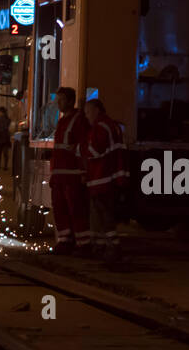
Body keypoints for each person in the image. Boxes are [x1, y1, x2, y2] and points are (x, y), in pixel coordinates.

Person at [83, 97, 129, 264]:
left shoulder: (100, 127)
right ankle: (102, 247)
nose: (86, 116)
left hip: (101, 179)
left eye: (88, 112)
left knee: (104, 215)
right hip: (105, 179)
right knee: (100, 215)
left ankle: (112, 248)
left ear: (96, 110)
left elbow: (94, 151)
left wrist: (82, 147)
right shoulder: (112, 125)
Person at [49, 87, 91, 255]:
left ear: (70, 101)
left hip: (72, 175)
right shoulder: (62, 121)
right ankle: (65, 241)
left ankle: (83, 244)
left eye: (61, 100)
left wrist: (83, 173)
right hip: (60, 175)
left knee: (76, 209)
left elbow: (83, 147)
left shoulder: (78, 120)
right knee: (60, 209)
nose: (58, 104)